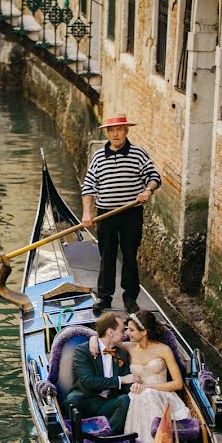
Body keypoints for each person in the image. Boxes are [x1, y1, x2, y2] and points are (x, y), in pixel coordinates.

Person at [81, 115, 161, 314]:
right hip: (106, 215)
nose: (115, 134)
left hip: (131, 214)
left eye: (119, 130)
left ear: (126, 131)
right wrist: (86, 213)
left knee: (130, 256)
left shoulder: (138, 154)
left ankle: (130, 298)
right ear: (107, 133)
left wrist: (148, 191)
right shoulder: (99, 157)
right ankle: (105, 298)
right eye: (111, 130)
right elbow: (89, 186)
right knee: (106, 256)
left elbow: (154, 177)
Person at [89, 310, 192, 443]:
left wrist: (148, 387)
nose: (127, 334)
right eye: (126, 330)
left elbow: (178, 383)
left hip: (162, 395)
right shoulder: (128, 347)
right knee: (139, 396)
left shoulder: (164, 350)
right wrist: (93, 339)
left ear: (144, 332)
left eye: (131, 330)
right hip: (137, 394)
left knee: (147, 394)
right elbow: (106, 340)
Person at [64, 312, 136, 435]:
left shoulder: (121, 353)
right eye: (122, 331)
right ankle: (76, 435)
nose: (125, 334)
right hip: (85, 399)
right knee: (72, 400)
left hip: (106, 403)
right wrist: (121, 380)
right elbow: (88, 382)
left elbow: (127, 383)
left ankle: (107, 436)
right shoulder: (83, 351)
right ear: (110, 332)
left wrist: (135, 387)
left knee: (124, 400)